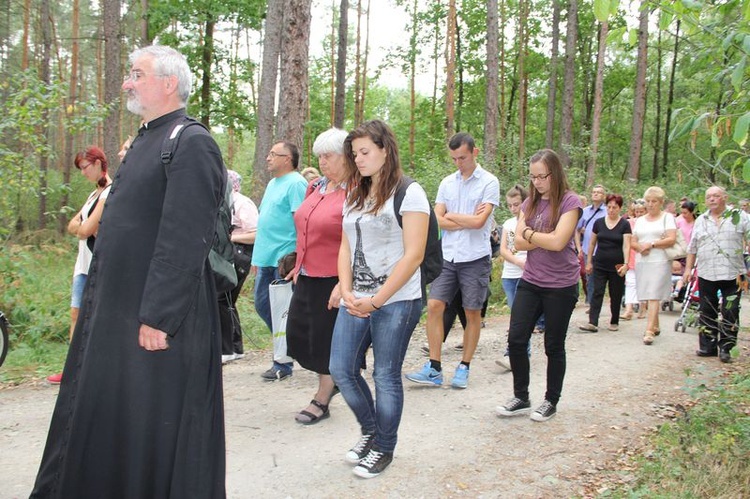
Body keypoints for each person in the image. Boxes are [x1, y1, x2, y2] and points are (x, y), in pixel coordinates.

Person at [31, 45, 226, 497]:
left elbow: (184, 237)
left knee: (153, 423)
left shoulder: (191, 141)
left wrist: (159, 315)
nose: (127, 82)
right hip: (117, 313)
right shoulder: (145, 138)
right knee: (114, 416)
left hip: (156, 321)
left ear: (168, 82)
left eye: (137, 74)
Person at [329, 119, 429, 478]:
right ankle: (372, 432)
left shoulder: (410, 192)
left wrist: (376, 300)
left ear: (386, 149)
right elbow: (345, 245)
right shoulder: (355, 194)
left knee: (385, 375)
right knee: (341, 367)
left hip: (397, 300)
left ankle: (384, 447)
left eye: (365, 152)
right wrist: (347, 289)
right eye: (354, 154)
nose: (358, 159)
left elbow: (414, 254)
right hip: (357, 298)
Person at [405, 132, 500, 389]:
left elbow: (481, 222)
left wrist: (454, 218)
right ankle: (434, 367)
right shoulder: (447, 182)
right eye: (455, 158)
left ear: (474, 153)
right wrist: (465, 218)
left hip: (475, 258)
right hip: (448, 256)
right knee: (435, 305)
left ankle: (464, 365)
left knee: (472, 312)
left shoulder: (489, 182)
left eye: (463, 157)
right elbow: (436, 220)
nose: (459, 163)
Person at [496, 149, 582, 423]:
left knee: (553, 344)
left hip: (561, 285)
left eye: (541, 176)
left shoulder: (571, 202)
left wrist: (531, 234)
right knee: (516, 338)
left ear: (554, 173)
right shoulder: (529, 203)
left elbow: (559, 243)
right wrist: (541, 236)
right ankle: (521, 396)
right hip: (531, 280)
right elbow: (515, 243)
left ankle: (550, 400)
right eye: (532, 177)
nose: (536, 182)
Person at [285, 128, 349, 425]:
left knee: (324, 341)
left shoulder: (355, 193)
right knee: (299, 335)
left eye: (329, 156)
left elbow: (355, 239)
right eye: (320, 156)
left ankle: (323, 395)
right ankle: (336, 378)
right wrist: (297, 266)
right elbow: (304, 226)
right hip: (307, 274)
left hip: (334, 277)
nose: (323, 162)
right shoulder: (316, 187)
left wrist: (344, 282)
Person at [47, 147, 113, 385]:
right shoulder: (93, 195)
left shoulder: (109, 192)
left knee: (95, 317)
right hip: (82, 263)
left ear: (99, 163)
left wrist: (81, 227)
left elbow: (84, 229)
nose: (83, 172)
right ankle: (73, 368)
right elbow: (73, 225)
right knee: (75, 314)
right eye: (80, 168)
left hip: (98, 264)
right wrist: (80, 227)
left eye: (86, 167)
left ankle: (94, 369)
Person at [251, 141, 308, 380]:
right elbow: (266, 221)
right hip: (265, 258)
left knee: (281, 310)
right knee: (263, 306)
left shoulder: (296, 183)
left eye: (273, 154)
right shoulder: (274, 183)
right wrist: (257, 257)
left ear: (288, 159)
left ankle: (283, 364)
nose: (268, 157)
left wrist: (298, 259)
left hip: (283, 259)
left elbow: (303, 223)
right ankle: (293, 347)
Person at [683, 186, 750, 362]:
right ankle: (707, 346)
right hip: (707, 272)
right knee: (706, 310)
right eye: (709, 197)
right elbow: (692, 248)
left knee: (731, 310)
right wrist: (688, 270)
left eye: (716, 196)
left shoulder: (739, 216)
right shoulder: (701, 220)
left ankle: (726, 348)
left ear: (725, 198)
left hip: (734, 273)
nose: (712, 199)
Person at [496, 184, 540, 371]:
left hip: (528, 275)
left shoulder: (532, 222)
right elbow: (503, 250)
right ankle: (520, 353)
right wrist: (516, 261)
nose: (514, 208)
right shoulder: (507, 224)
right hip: (509, 274)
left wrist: (526, 264)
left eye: (517, 204)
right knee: (515, 316)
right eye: (510, 205)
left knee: (520, 317)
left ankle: (514, 354)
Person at [219, 170, 258, 363]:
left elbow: (255, 234)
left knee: (223, 298)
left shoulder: (243, 203)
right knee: (226, 301)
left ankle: (227, 349)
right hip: (226, 253)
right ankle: (234, 347)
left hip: (240, 253)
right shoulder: (222, 200)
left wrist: (231, 237)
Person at [579, 194, 632, 332]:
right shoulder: (599, 222)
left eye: (615, 207)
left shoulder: (625, 224)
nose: (611, 210)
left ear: (620, 208)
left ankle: (614, 320)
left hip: (617, 264)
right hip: (600, 262)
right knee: (597, 291)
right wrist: (589, 261)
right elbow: (592, 243)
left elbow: (626, 245)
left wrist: (626, 264)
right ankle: (592, 322)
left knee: (616, 293)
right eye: (609, 207)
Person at [631, 186, 676, 345]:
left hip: (660, 260)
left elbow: (671, 239)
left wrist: (651, 244)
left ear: (661, 202)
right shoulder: (640, 220)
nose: (650, 204)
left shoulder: (667, 217)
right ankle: (655, 324)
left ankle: (649, 330)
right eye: (648, 201)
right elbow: (633, 240)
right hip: (643, 260)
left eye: (654, 201)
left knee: (654, 293)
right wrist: (640, 247)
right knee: (648, 293)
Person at [576, 185, 607, 306]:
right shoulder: (585, 211)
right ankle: (590, 302)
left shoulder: (607, 211)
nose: (596, 194)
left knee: (599, 277)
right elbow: (577, 230)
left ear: (603, 196)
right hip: (586, 249)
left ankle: (596, 301)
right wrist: (579, 248)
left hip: (602, 249)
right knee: (589, 276)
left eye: (599, 192)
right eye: (594, 192)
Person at [622, 199, 646, 320]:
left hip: (645, 256)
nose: (639, 214)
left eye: (642, 211)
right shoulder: (629, 223)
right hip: (631, 256)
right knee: (630, 282)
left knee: (642, 283)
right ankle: (629, 309)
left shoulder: (649, 223)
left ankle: (643, 306)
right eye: (637, 211)